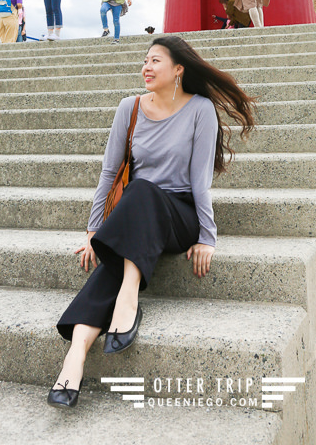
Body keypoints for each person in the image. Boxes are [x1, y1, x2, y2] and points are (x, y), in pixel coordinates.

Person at [47, 35, 257, 410]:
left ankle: (129, 296)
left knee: (142, 193)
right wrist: (95, 231)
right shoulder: (129, 108)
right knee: (136, 198)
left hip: (179, 215)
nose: (146, 66)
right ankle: (75, 355)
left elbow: (199, 181)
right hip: (136, 212)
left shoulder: (200, 109)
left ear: (178, 69)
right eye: (145, 60)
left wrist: (207, 237)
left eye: (156, 60)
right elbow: (109, 172)